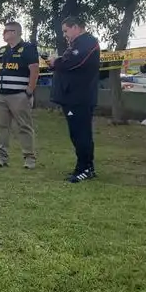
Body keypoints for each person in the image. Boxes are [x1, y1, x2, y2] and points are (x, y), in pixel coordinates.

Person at [49, 16, 101, 183]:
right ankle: (84, 166)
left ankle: (85, 168)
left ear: (76, 27)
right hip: (71, 97)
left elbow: (72, 62)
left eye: (66, 31)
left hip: (80, 98)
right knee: (76, 134)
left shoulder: (87, 42)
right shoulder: (76, 44)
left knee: (81, 134)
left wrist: (55, 62)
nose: (65, 35)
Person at [0, 21, 40, 169]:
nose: (3, 34)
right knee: (2, 127)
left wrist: (29, 92)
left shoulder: (28, 49)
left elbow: (34, 70)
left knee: (24, 126)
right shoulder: (1, 51)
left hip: (19, 95)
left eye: (6, 31)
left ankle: (29, 158)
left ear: (15, 32)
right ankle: (1, 157)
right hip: (0, 96)